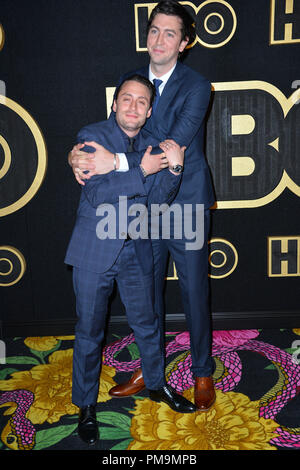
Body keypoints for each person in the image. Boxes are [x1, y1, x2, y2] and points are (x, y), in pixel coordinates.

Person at [69, 0, 216, 412]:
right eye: (154, 30)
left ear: (184, 43)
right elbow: (114, 135)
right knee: (145, 295)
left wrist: (111, 162)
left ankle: (203, 371)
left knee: (192, 291)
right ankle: (152, 371)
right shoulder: (129, 80)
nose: (159, 40)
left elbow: (169, 147)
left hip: (185, 203)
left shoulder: (198, 85)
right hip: (143, 204)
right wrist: (79, 156)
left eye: (170, 33)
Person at [65, 74, 197, 446]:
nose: (133, 107)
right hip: (94, 250)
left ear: (149, 110)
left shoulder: (154, 145)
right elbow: (97, 193)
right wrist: (141, 167)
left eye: (142, 102)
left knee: (148, 324)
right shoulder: (92, 136)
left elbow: (158, 201)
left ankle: (156, 385)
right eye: (127, 99)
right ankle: (86, 405)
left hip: (138, 248)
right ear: (114, 103)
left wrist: (172, 168)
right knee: (90, 331)